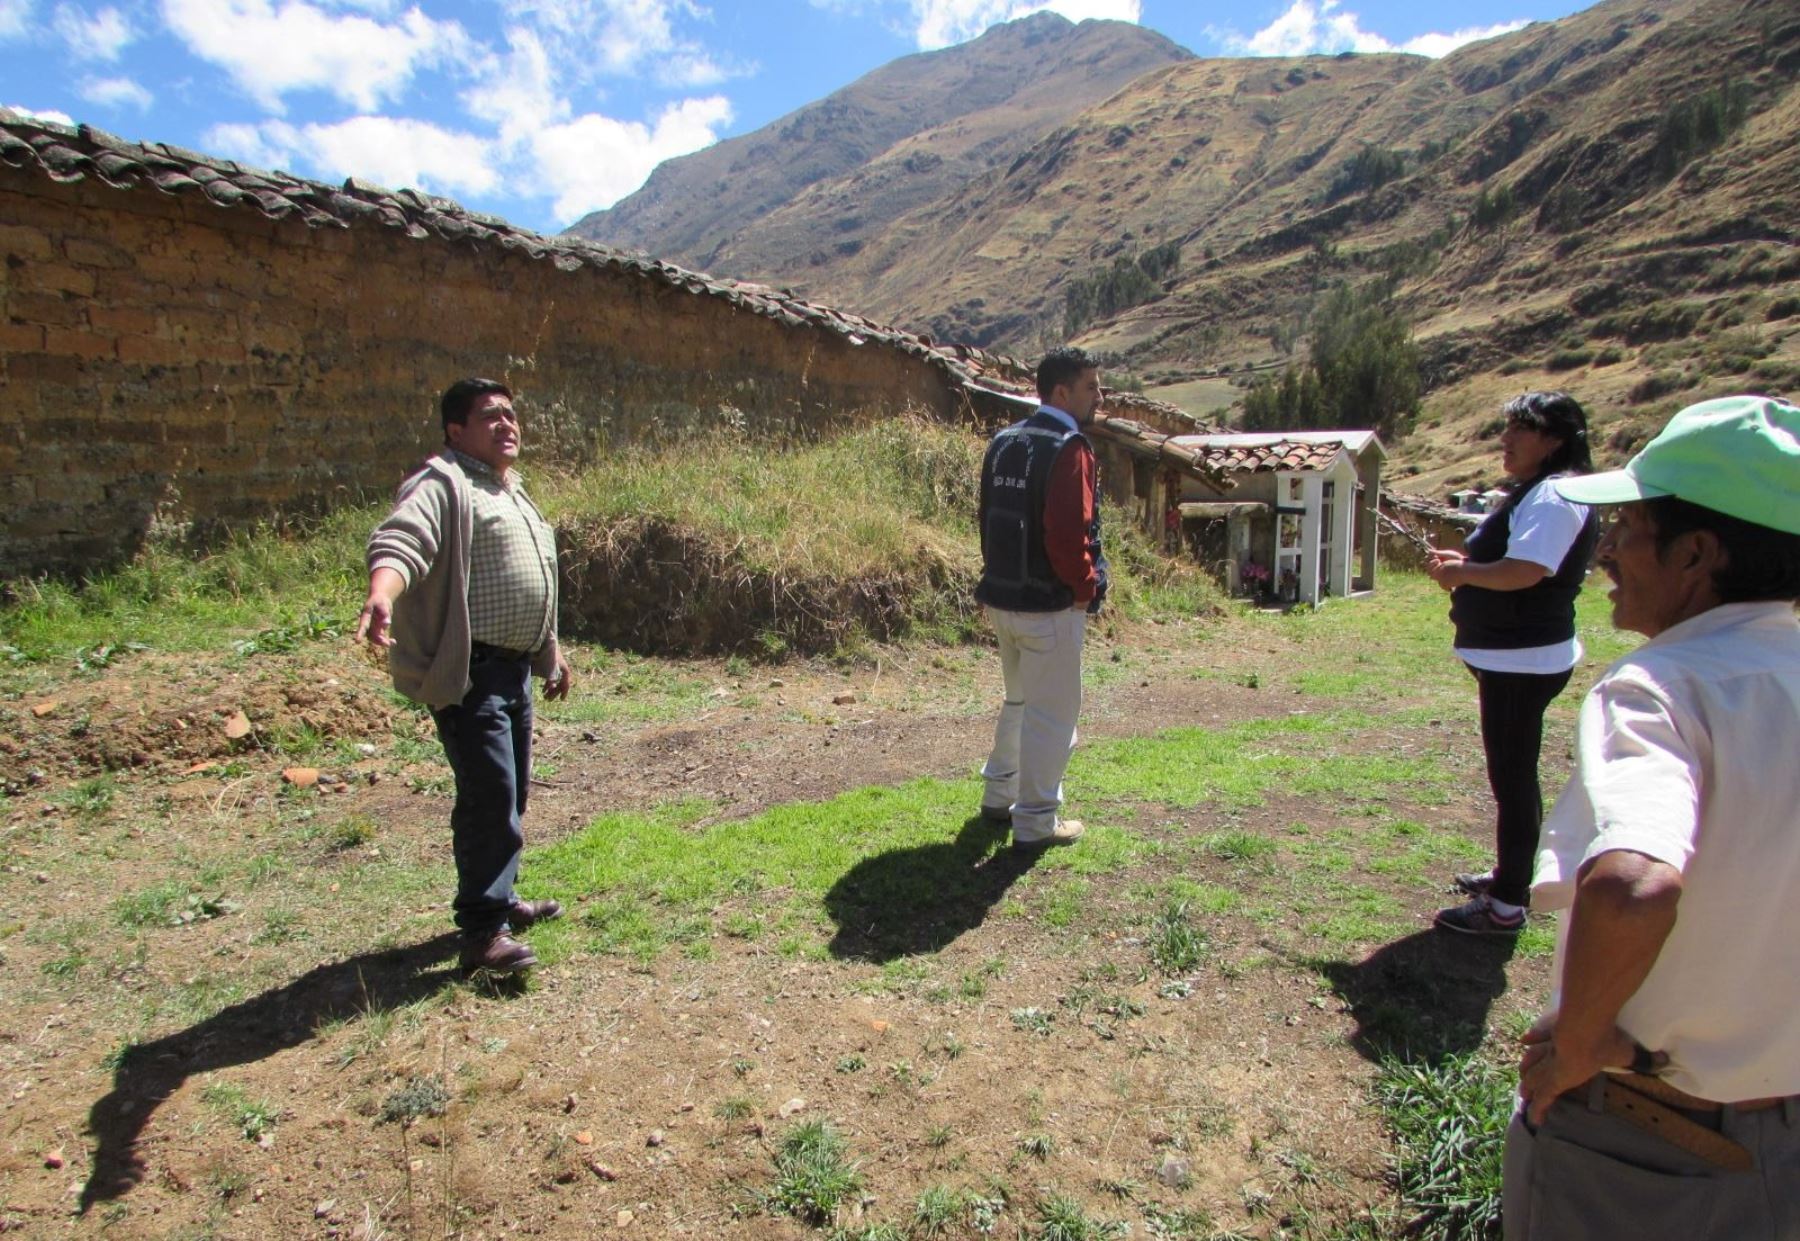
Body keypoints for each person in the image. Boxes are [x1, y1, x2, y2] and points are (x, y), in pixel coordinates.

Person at [1501, 394, 1800, 1239]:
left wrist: (1582, 1043)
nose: (1607, 553)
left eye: (1628, 527)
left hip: (1641, 1148)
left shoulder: (1663, 689)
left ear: (1696, 553)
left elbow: (1631, 885)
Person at [355, 378, 574, 976]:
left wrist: (547, 653)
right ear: (457, 431)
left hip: (513, 670)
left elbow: (532, 578)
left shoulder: (510, 491)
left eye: (511, 414)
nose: (508, 424)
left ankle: (500, 899)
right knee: (490, 797)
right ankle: (482, 933)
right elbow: (403, 541)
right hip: (470, 674)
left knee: (512, 790)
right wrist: (381, 592)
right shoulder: (442, 484)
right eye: (490, 416)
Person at [1425, 392, 1599, 935]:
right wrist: (1469, 562)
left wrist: (1467, 574)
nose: (1506, 440)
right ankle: (1510, 877)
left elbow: (1527, 569)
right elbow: (1517, 561)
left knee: (1514, 778)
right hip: (1517, 656)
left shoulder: (1553, 495)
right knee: (1513, 775)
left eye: (1518, 430)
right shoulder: (1541, 493)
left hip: (1522, 659)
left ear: (1553, 439)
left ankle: (1505, 906)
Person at [973, 346, 1108, 855]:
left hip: (1002, 597)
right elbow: (1070, 535)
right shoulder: (1069, 447)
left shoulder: (1004, 440)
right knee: (1053, 716)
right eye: (1091, 386)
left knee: (1018, 702)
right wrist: (1084, 592)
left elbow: (986, 517)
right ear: (1061, 392)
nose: (1099, 396)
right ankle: (1034, 821)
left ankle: (997, 795)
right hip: (1049, 606)